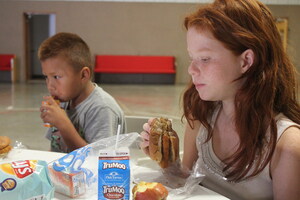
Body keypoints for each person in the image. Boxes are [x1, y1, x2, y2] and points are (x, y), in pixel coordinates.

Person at [140, 0, 300, 199]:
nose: (191, 70)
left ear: (246, 61)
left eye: (205, 59)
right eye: (192, 58)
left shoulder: (287, 145)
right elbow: (185, 183)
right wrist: (169, 162)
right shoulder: (201, 115)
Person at [38, 32, 126, 153]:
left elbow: (98, 161)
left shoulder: (102, 108)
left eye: (57, 77)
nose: (50, 85)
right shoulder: (63, 101)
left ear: (83, 75)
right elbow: (55, 150)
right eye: (46, 77)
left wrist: (64, 125)